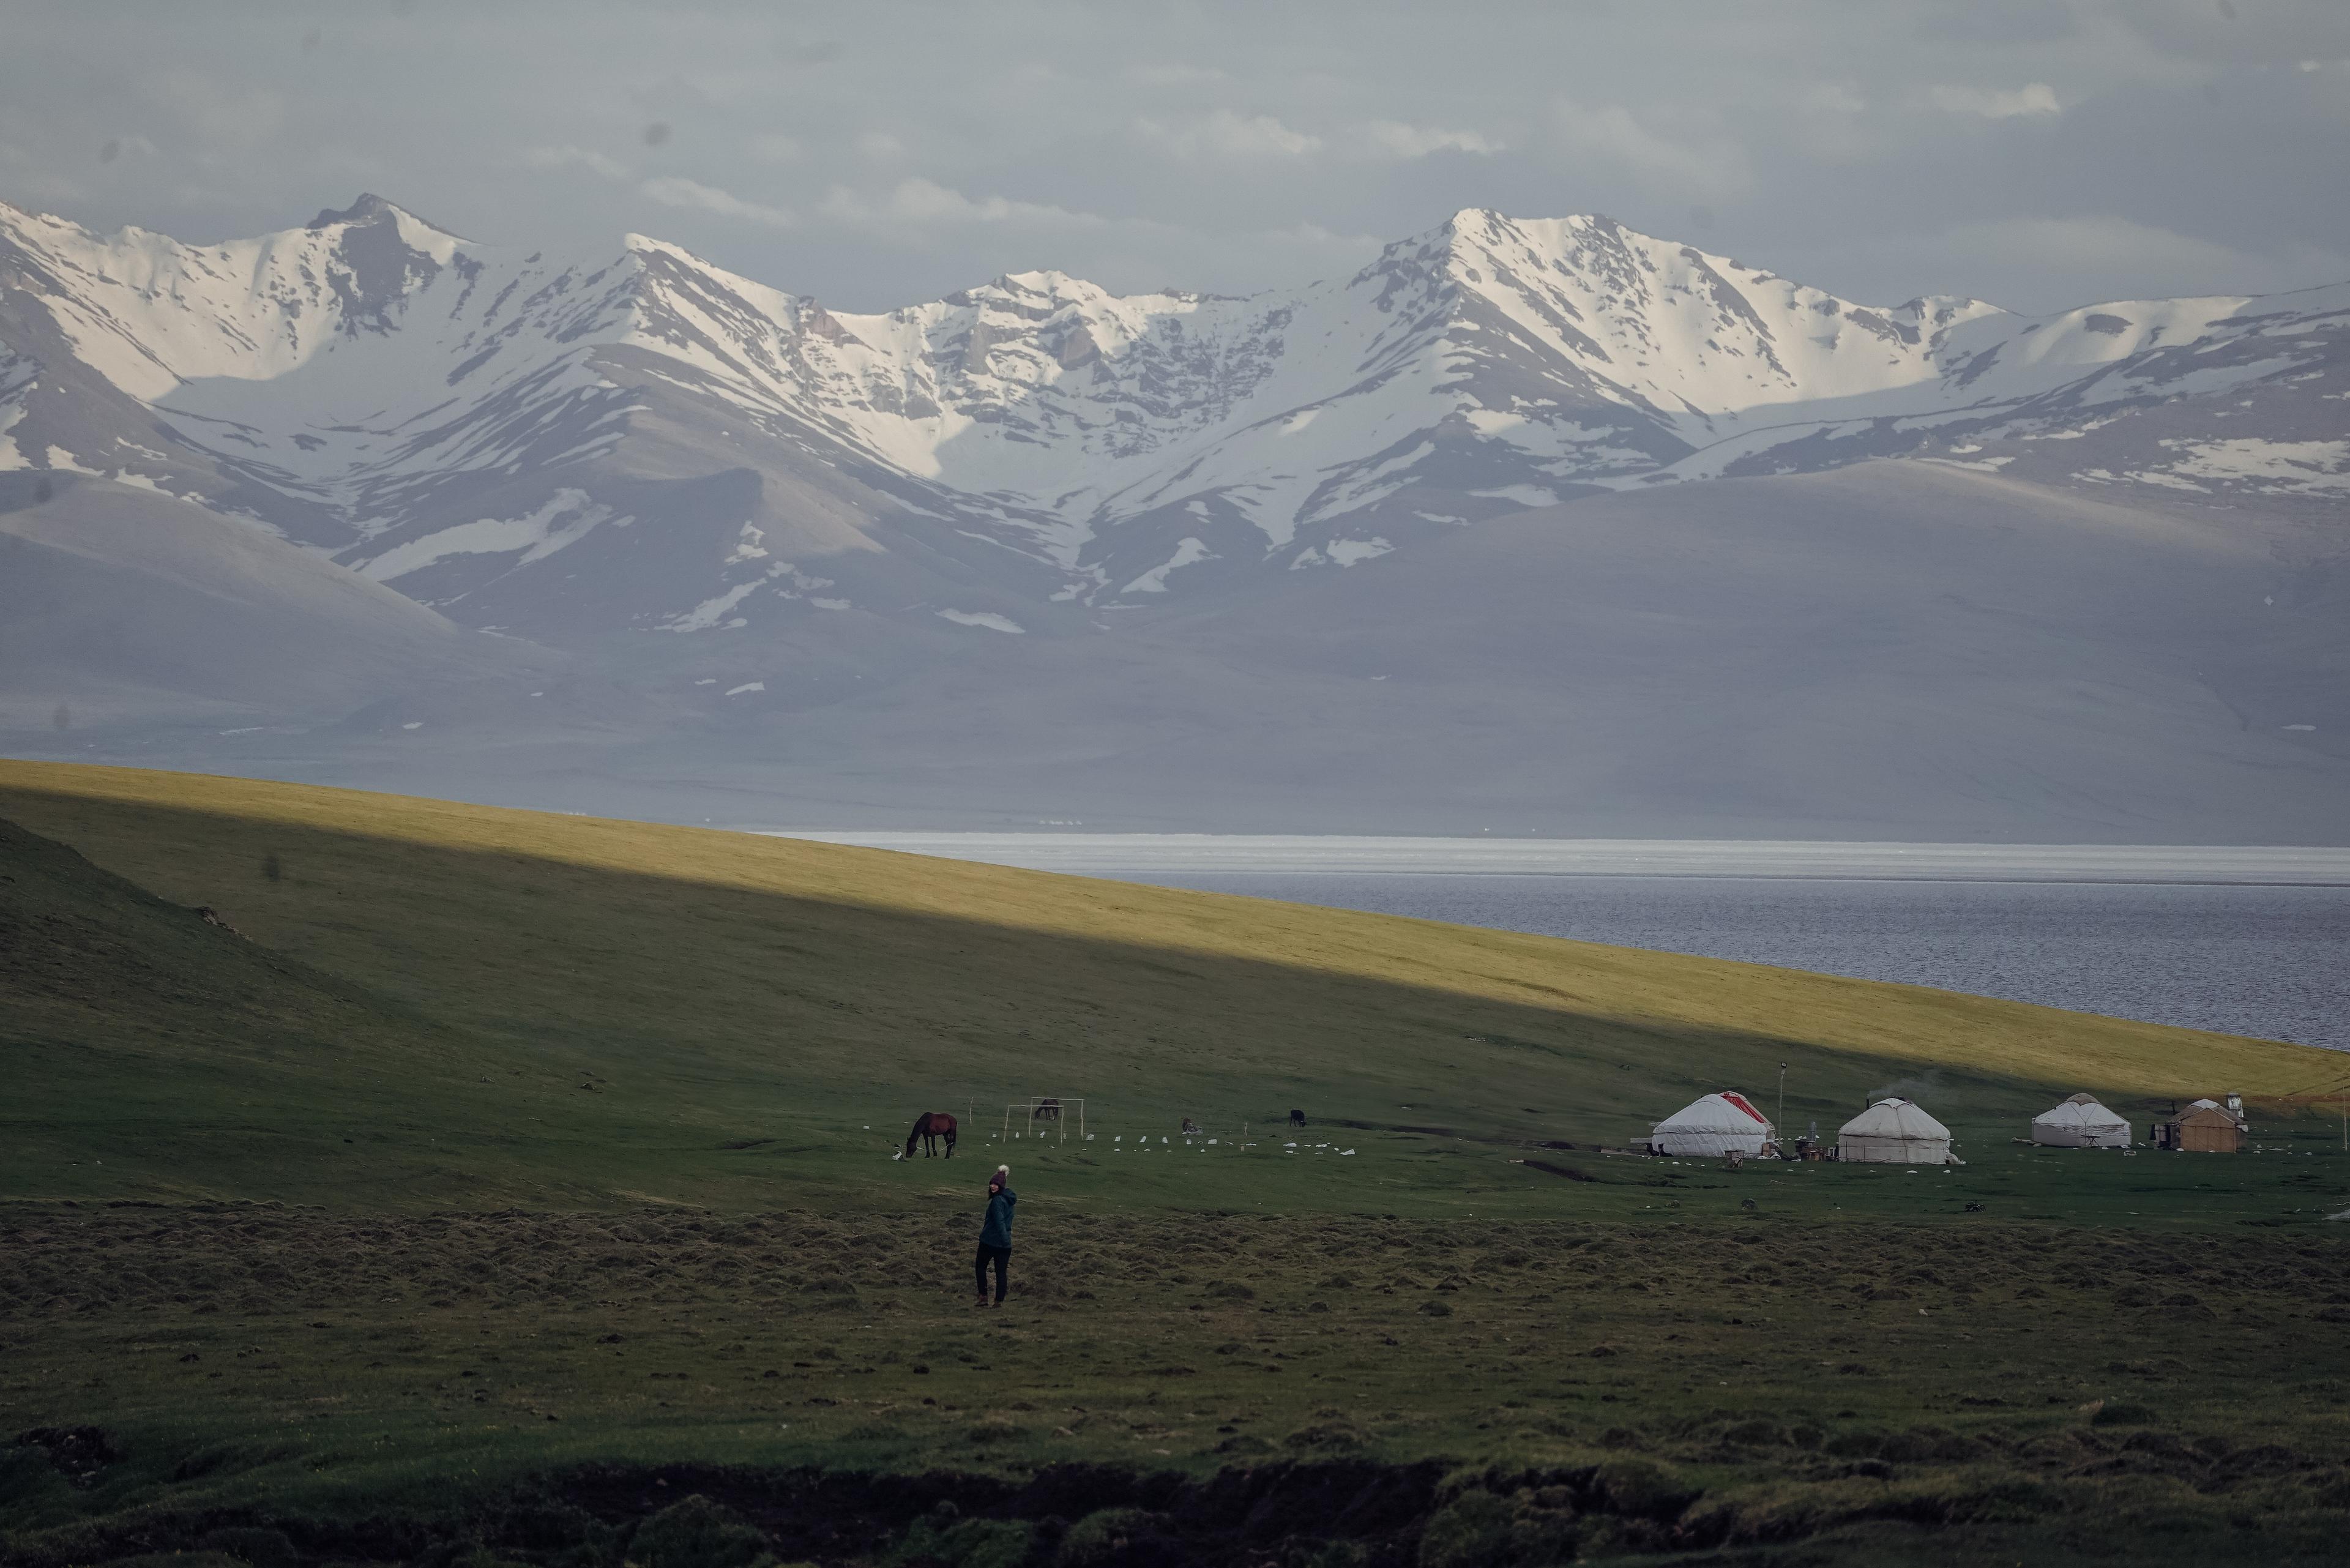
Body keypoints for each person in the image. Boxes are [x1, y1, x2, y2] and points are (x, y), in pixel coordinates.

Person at [975, 1165, 1015, 1307]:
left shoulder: (997, 1201)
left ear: (1001, 1186)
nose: (993, 1187)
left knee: (980, 1267)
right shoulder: (1009, 1200)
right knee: (1001, 1272)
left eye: (996, 1184)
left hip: (990, 1241)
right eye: (992, 1184)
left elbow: (999, 1222)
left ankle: (983, 1296)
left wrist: (1003, 1240)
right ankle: (999, 1301)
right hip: (1005, 1243)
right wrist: (1007, 1242)